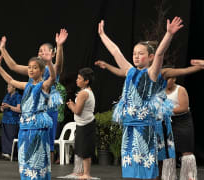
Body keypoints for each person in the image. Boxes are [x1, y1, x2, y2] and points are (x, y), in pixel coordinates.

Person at [95, 17, 183, 179]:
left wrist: (169, 34)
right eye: (134, 54)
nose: (135, 57)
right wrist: (102, 36)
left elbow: (159, 54)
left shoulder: (151, 73)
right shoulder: (130, 71)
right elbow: (116, 52)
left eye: (140, 54)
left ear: (149, 57)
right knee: (132, 165)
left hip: (145, 126)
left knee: (148, 165)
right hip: (129, 126)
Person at [0, 29, 68, 162]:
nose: (41, 53)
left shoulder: (50, 69)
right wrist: (3, 49)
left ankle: (46, 170)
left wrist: (59, 46)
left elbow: (58, 66)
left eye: (45, 51)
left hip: (46, 109)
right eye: (40, 51)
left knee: (48, 144)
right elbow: (13, 66)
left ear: (52, 54)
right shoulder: (33, 70)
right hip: (31, 112)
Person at [0, 51, 56, 179]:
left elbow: (53, 78)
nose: (31, 70)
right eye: (29, 67)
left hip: (37, 128)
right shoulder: (26, 85)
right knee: (25, 162)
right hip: (24, 128)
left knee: (37, 163)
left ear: (42, 71)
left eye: (35, 68)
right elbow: (10, 80)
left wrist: (49, 63)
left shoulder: (43, 86)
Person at [164, 77, 198, 180]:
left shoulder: (180, 89)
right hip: (167, 122)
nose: (164, 82)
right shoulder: (159, 90)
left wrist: (165, 111)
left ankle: (189, 177)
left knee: (186, 151)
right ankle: (168, 177)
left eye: (167, 79)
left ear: (174, 79)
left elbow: (183, 107)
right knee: (168, 152)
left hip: (183, 121)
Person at [66, 67, 96, 180]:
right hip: (83, 124)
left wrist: (71, 105)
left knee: (85, 150)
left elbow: (77, 111)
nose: (76, 80)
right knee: (80, 149)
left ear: (86, 81)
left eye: (79, 78)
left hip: (86, 124)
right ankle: (81, 172)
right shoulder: (86, 91)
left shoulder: (83, 93)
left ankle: (86, 173)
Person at [0, 84, 21, 160]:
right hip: (5, 119)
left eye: (9, 87)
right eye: (7, 86)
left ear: (14, 88)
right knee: (4, 137)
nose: (7, 88)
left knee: (10, 137)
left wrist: (9, 106)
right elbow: (2, 108)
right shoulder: (7, 95)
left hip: (13, 120)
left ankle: (11, 153)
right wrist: (2, 107)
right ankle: (5, 153)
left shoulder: (18, 96)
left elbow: (19, 110)